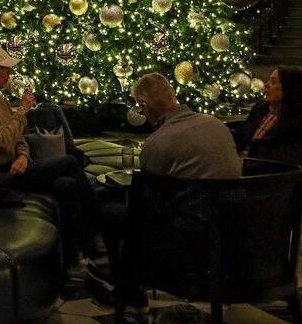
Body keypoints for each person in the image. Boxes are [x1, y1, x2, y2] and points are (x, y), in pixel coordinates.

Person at [89, 72, 241, 309]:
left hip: (185, 238)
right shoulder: (217, 125)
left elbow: (148, 199)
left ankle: (127, 286)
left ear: (144, 105)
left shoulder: (158, 142)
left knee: (116, 213)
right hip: (231, 228)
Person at [0, 44, 97, 265]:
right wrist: (22, 111)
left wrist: (22, 156)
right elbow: (2, 140)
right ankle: (99, 225)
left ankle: (80, 254)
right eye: (4, 69)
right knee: (70, 162)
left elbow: (19, 139)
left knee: (66, 184)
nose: (9, 73)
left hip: (14, 166)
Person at [236, 66, 302, 158]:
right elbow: (244, 134)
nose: (266, 85)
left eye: (273, 82)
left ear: (289, 89)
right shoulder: (261, 109)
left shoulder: (297, 124)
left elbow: (281, 157)